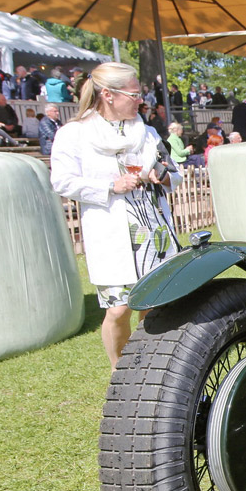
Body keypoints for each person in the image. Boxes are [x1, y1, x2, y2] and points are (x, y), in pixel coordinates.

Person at [49, 62, 182, 369]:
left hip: (154, 233)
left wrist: (160, 175)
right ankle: (119, 370)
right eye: (134, 94)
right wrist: (110, 186)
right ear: (108, 95)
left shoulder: (147, 132)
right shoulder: (74, 134)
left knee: (155, 305)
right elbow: (62, 182)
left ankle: (150, 367)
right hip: (112, 235)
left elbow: (173, 173)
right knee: (119, 309)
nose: (141, 100)